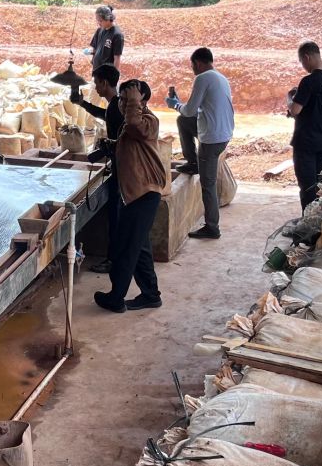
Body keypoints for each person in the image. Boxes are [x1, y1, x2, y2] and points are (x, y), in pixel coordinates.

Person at [94, 79, 167, 314]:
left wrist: (134, 101)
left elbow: (136, 125)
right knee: (139, 248)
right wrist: (113, 145)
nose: (123, 104)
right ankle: (150, 295)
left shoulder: (148, 121)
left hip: (144, 193)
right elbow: (132, 143)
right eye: (122, 100)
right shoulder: (129, 126)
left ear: (142, 102)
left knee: (126, 248)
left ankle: (116, 297)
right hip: (135, 193)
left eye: (129, 100)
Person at [165, 47, 234, 240]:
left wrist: (174, 104)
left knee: (208, 184)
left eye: (193, 66)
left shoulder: (202, 78)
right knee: (183, 121)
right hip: (223, 133)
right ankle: (193, 162)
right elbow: (194, 111)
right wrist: (181, 106)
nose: (193, 69)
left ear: (198, 63)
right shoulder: (221, 78)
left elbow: (189, 110)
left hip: (212, 139)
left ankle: (212, 226)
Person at [71, 63, 123, 273]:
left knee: (115, 216)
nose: (95, 87)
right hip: (119, 165)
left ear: (104, 83)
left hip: (121, 168)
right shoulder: (115, 105)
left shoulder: (116, 106)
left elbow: (118, 137)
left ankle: (113, 260)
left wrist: (106, 149)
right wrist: (83, 104)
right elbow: (106, 115)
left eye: (96, 83)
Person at [288, 42, 322, 212]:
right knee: (320, 184)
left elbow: (295, 110)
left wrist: (290, 99)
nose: (303, 66)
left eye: (302, 62)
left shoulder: (308, 81)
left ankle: (308, 222)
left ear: (306, 57)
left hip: (307, 141)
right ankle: (319, 220)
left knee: (308, 187)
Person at [84, 5, 124, 72]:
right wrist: (90, 53)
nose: (98, 23)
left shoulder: (117, 35)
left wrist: (114, 75)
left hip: (107, 73)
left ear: (108, 19)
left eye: (100, 21)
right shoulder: (99, 30)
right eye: (97, 20)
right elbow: (95, 48)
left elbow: (117, 58)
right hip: (97, 70)